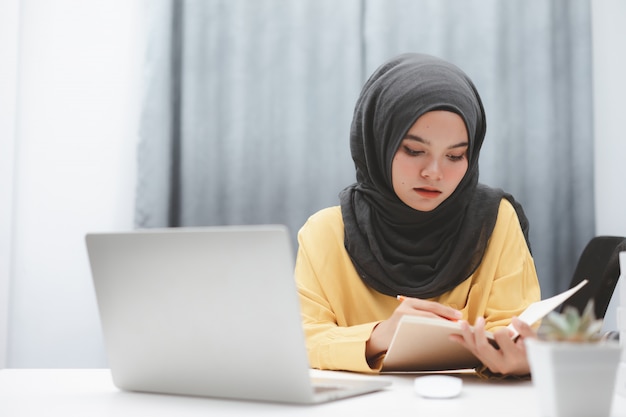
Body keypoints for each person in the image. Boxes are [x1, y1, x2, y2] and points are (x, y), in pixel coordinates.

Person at [294, 53, 541, 377]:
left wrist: (521, 361)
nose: (434, 172)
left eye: (455, 155)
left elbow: (515, 329)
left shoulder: (495, 221)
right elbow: (301, 340)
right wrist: (380, 335)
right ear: (377, 142)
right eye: (414, 150)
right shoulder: (324, 233)